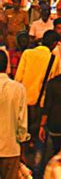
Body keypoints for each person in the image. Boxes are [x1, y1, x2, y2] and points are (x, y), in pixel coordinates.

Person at [0, 50, 28, 179]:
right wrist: (22, 139)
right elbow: (21, 121)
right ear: (7, 66)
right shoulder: (18, 88)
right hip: (10, 147)